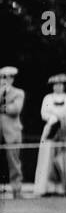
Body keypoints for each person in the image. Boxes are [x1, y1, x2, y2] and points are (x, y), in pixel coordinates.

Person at [33, 73, 66, 197]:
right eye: (55, 85)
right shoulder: (47, 98)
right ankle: (45, 188)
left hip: (64, 130)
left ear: (64, 86)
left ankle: (61, 189)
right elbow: (44, 113)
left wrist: (60, 117)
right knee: (47, 158)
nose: (58, 87)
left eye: (60, 84)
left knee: (62, 159)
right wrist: (53, 117)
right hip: (50, 130)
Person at [0, 66, 25, 197]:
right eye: (3, 77)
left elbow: (16, 109)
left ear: (12, 79)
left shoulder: (19, 92)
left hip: (12, 132)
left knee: (14, 162)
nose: (5, 79)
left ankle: (17, 190)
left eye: (8, 77)